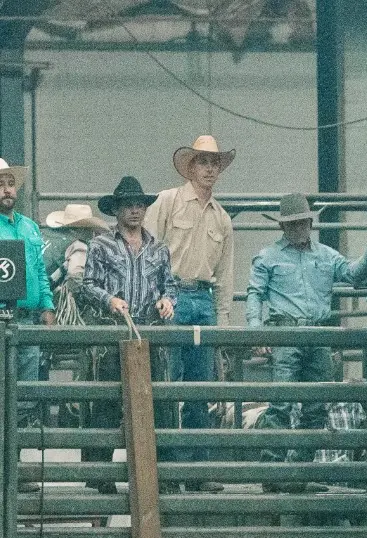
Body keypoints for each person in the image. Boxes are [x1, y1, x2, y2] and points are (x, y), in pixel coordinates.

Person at [245, 193, 367, 491]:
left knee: (316, 407)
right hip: (287, 333)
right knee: (281, 404)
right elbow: (254, 294)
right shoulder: (269, 257)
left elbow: (353, 273)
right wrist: (257, 331)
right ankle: (275, 474)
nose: (298, 227)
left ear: (309, 222)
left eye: (301, 222)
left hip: (317, 333)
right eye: (292, 223)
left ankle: (295, 472)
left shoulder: (324, 255)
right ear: (284, 226)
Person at [80, 177, 177, 494]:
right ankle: (98, 474)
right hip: (114, 332)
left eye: (139, 204)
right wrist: (109, 299)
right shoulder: (100, 245)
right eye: (129, 205)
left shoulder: (159, 248)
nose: (135, 210)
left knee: (157, 404)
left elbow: (169, 286)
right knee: (108, 402)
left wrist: (167, 301)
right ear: (117, 210)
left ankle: (161, 474)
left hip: (149, 330)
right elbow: (89, 285)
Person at [148, 136, 236, 459]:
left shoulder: (223, 219)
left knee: (202, 387)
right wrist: (155, 297)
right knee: (169, 382)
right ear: (191, 167)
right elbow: (148, 249)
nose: (210, 168)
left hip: (203, 298)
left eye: (214, 163)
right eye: (203, 161)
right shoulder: (167, 201)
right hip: (171, 295)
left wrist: (222, 323)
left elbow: (225, 277)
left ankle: (197, 467)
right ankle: (170, 467)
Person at [0, 158, 57, 448]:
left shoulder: (31, 228)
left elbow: (39, 272)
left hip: (27, 318)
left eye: (11, 184)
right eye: (1, 184)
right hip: (1, 320)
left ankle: (17, 467)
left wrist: (47, 305)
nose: (7, 190)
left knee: (24, 393)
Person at [40, 202, 108, 323]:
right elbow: (75, 276)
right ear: (84, 229)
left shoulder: (45, 237)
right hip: (49, 303)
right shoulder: (78, 245)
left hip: (30, 295)